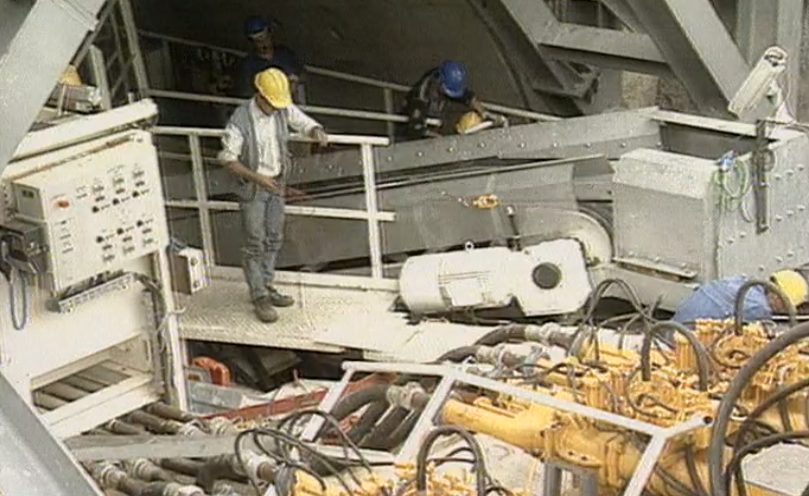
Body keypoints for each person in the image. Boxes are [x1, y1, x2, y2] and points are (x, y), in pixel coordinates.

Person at [218, 68, 328, 323]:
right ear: (261, 96)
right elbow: (228, 159)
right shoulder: (240, 120)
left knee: (274, 238)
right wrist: (259, 179)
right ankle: (259, 294)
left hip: (276, 184)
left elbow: (301, 120)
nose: (276, 108)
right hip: (254, 188)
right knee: (254, 241)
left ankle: (266, 285)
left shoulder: (280, 107)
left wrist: (315, 130)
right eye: (273, 104)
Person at [397, 60, 503, 141]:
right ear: (440, 83)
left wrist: (483, 112)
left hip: (436, 118)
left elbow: (466, 96)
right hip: (414, 131)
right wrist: (442, 139)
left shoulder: (444, 77)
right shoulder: (422, 96)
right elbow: (415, 128)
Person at [671, 270, 809, 324]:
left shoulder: (744, 281)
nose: (784, 311)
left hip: (673, 326)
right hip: (685, 345)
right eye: (787, 307)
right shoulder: (759, 308)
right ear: (779, 297)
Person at [235, 15, 305, 100]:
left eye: (265, 38)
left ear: (270, 35)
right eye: (258, 41)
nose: (264, 44)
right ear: (252, 43)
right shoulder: (248, 65)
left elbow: (302, 72)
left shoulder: (285, 54)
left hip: (292, 105)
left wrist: (295, 80)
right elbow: (246, 94)